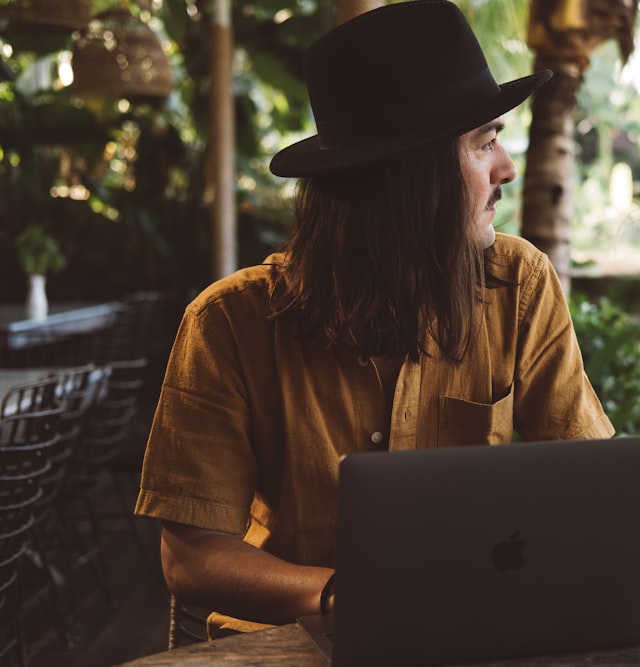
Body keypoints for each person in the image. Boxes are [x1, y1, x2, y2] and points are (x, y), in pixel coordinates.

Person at [135, 0, 615, 634]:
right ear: (410, 178)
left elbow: (593, 489)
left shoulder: (518, 285)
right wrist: (356, 595)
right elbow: (192, 558)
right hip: (283, 648)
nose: (508, 169)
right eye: (485, 143)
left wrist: (621, 564)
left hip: (465, 636)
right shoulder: (228, 323)